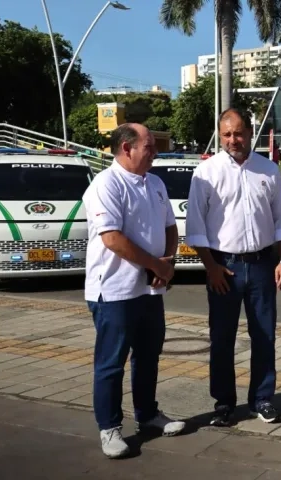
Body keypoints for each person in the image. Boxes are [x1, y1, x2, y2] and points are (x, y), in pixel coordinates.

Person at [83, 123, 186, 458]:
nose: (155, 152)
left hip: (150, 292)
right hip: (114, 291)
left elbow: (170, 226)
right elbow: (112, 238)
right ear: (126, 148)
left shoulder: (154, 182)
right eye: (149, 146)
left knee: (148, 356)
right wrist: (156, 266)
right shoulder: (105, 184)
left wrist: (166, 261)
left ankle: (147, 414)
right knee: (112, 362)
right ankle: (109, 428)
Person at [185, 108, 281, 427]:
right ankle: (224, 403)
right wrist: (210, 267)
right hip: (223, 267)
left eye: (239, 133)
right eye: (227, 134)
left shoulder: (268, 170)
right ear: (221, 135)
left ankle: (262, 399)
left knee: (264, 335)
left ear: (250, 132)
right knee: (221, 338)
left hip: (262, 264)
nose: (233, 140)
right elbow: (195, 225)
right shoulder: (206, 172)